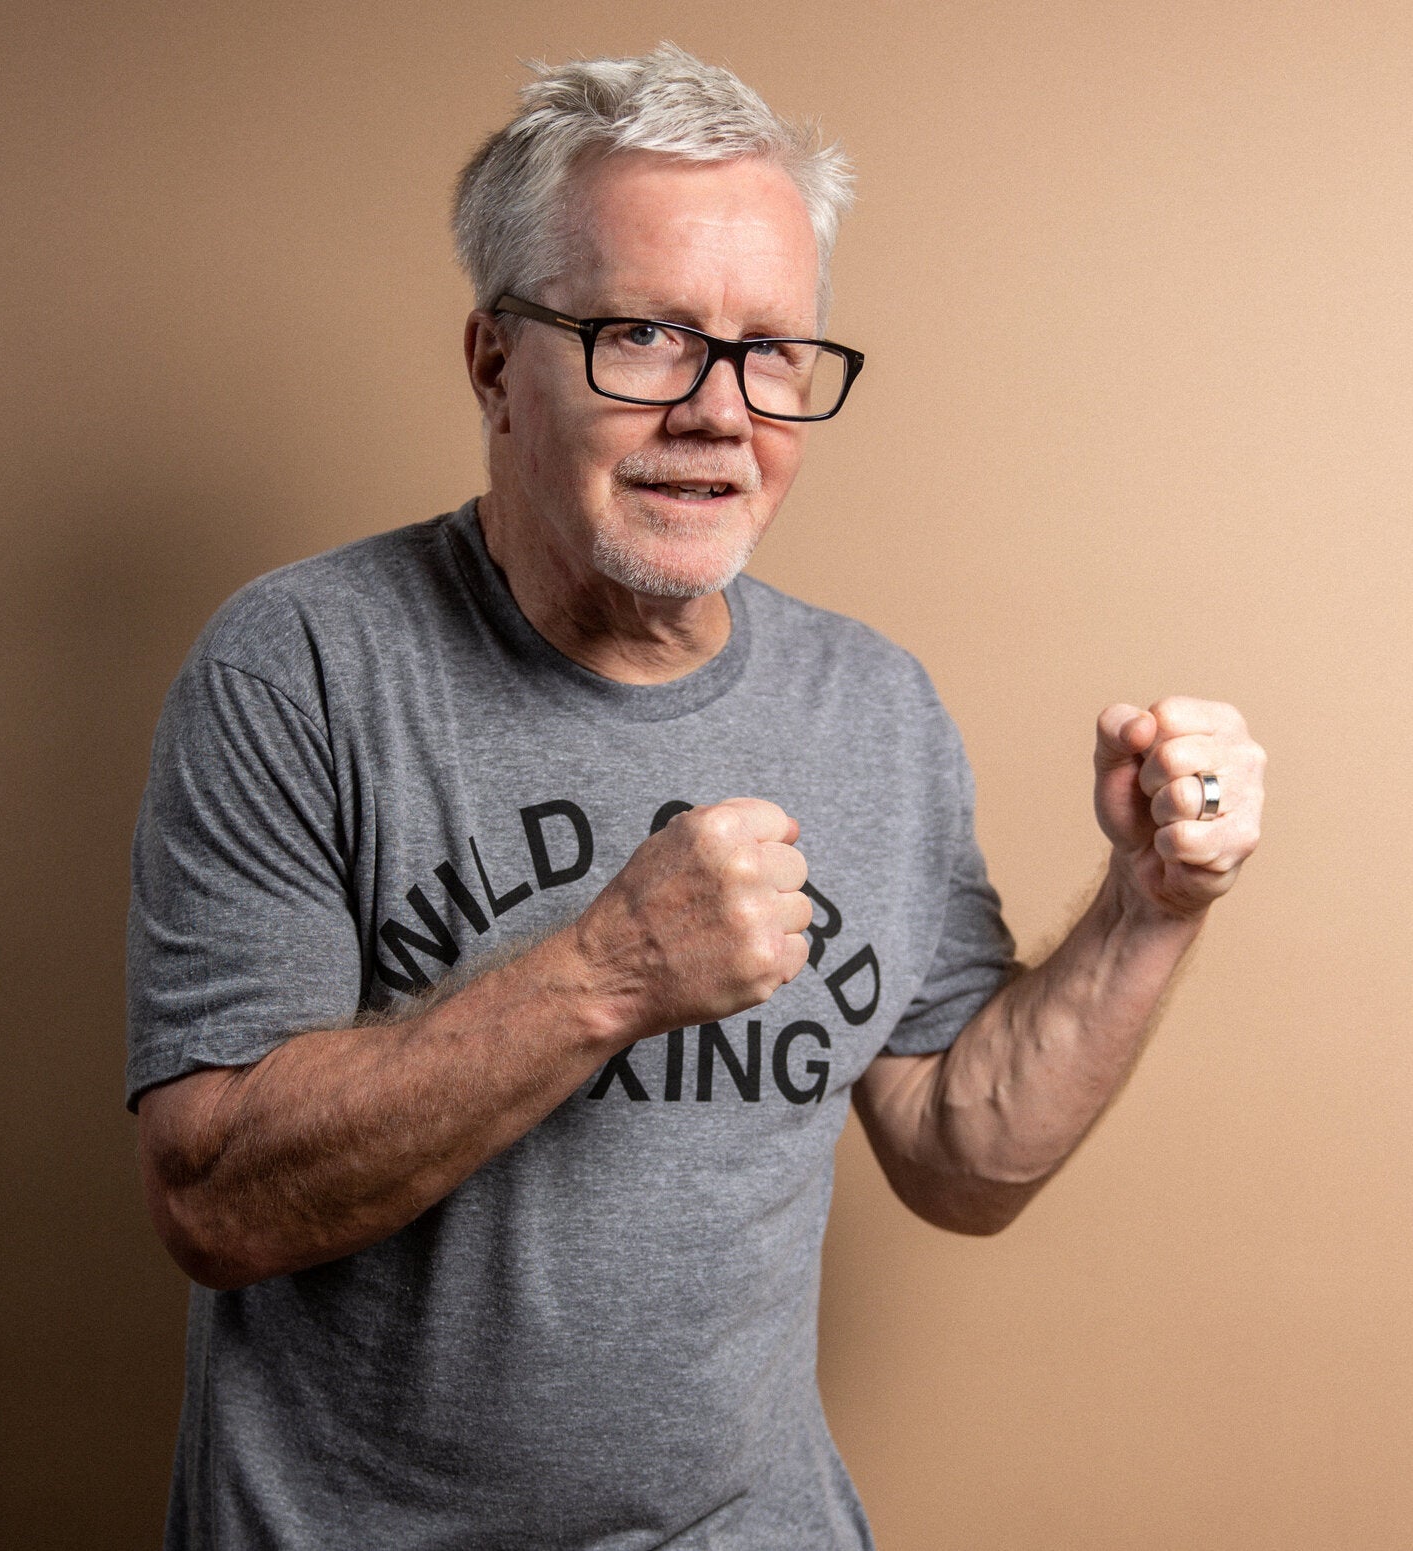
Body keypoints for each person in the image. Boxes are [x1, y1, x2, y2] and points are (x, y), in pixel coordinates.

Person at [126, 43, 1265, 1550]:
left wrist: (1151, 906)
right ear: (494, 363)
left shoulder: (873, 705)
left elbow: (961, 1150)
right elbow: (214, 1204)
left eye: (773, 350)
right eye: (648, 336)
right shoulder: (303, 665)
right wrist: (605, 975)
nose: (721, 412)